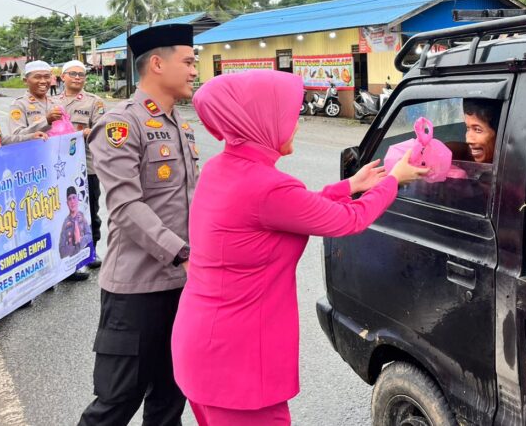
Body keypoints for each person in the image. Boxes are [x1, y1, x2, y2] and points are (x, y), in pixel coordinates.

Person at [170, 70, 428, 425]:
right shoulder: (267, 186)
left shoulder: (224, 168)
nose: (297, 125)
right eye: (289, 117)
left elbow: (291, 209)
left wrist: (350, 184)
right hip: (236, 359)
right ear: (262, 121)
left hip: (204, 346)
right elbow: (347, 220)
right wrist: (394, 180)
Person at [79, 23, 199, 426]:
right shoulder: (121, 124)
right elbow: (126, 206)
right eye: (188, 61)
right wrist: (182, 253)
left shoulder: (179, 123)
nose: (194, 70)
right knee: (116, 401)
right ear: (158, 64)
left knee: (171, 394)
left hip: (183, 283)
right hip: (137, 288)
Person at [58, 60, 106, 277]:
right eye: (73, 74)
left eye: (81, 74)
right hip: (58, 168)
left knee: (91, 210)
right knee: (63, 213)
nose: (78, 78)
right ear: (62, 77)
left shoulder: (94, 102)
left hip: (87, 165)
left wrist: (89, 132)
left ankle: (91, 250)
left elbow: (104, 128)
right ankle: (68, 255)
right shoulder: (51, 102)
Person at [7, 61, 63, 143]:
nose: (43, 81)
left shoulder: (57, 102)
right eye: (37, 77)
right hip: (33, 154)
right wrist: (46, 121)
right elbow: (16, 137)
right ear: (25, 81)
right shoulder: (19, 104)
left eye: (47, 77)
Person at [59, 186, 94, 259]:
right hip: (72, 261)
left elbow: (89, 235)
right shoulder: (65, 223)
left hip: (83, 255)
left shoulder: (81, 216)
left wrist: (80, 240)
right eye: (69, 199)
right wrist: (75, 246)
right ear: (67, 203)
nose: (72, 201)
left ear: (77, 199)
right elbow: (61, 250)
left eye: (74, 197)